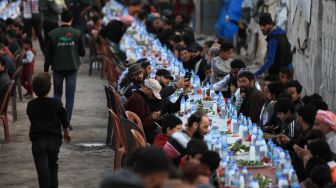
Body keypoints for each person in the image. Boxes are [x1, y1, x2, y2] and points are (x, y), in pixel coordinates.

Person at [26, 73, 71, 188]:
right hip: (54, 140)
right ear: (49, 88)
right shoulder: (56, 103)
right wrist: (66, 133)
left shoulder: (31, 105)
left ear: (34, 89)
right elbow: (64, 120)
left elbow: (32, 118)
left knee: (42, 169)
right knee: (53, 165)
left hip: (38, 141)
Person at [44, 10, 86, 128]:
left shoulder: (52, 33)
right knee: (70, 95)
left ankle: (57, 120)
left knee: (57, 93)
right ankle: (66, 123)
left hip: (57, 67)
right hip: (72, 68)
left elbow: (48, 54)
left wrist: (46, 69)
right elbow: (82, 53)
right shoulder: (77, 33)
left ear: (60, 19)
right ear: (71, 20)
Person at [125, 79, 162, 143]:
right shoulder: (138, 99)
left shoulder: (138, 96)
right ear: (148, 88)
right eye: (153, 94)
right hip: (140, 135)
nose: (153, 97)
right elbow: (139, 124)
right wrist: (152, 117)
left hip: (139, 132)